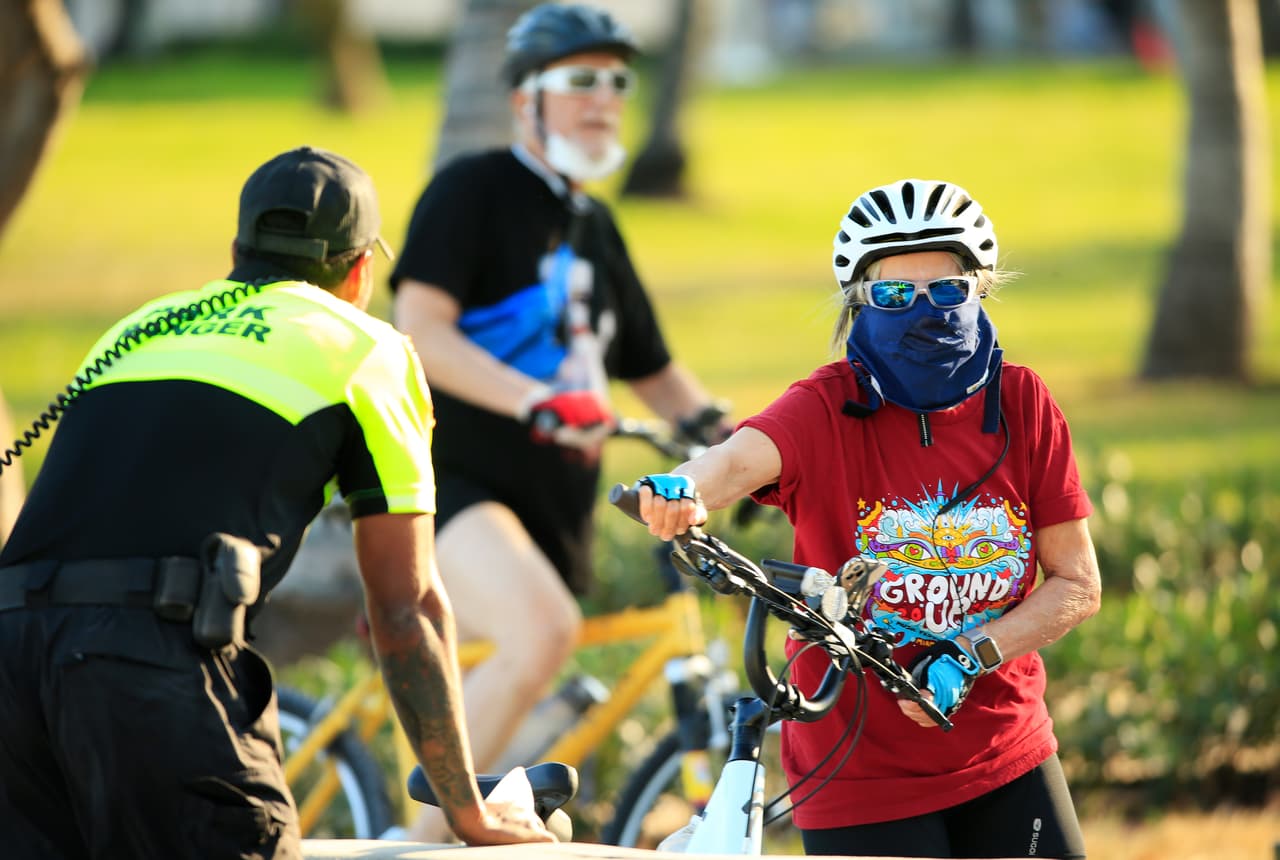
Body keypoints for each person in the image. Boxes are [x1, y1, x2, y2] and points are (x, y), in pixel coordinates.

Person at [0, 146, 554, 858]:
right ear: (360, 271)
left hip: (12, 661)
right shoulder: (367, 349)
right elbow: (405, 606)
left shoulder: (136, 327)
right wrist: (466, 810)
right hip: (152, 667)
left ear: (237, 249)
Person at [630, 178, 1102, 859]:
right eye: (892, 295)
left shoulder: (1023, 405)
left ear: (981, 289)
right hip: (857, 775)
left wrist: (973, 654)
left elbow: (1078, 584)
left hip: (1006, 752)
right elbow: (733, 462)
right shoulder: (825, 408)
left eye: (947, 290)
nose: (923, 311)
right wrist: (682, 485)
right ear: (858, 302)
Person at [389, 2, 730, 842]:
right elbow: (419, 330)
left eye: (616, 82)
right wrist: (534, 399)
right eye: (578, 81)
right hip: (450, 485)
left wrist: (738, 445)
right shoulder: (470, 191)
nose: (603, 99)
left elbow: (650, 369)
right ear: (523, 101)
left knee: (541, 691)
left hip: (552, 509)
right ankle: (412, 843)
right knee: (543, 630)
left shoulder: (596, 223)